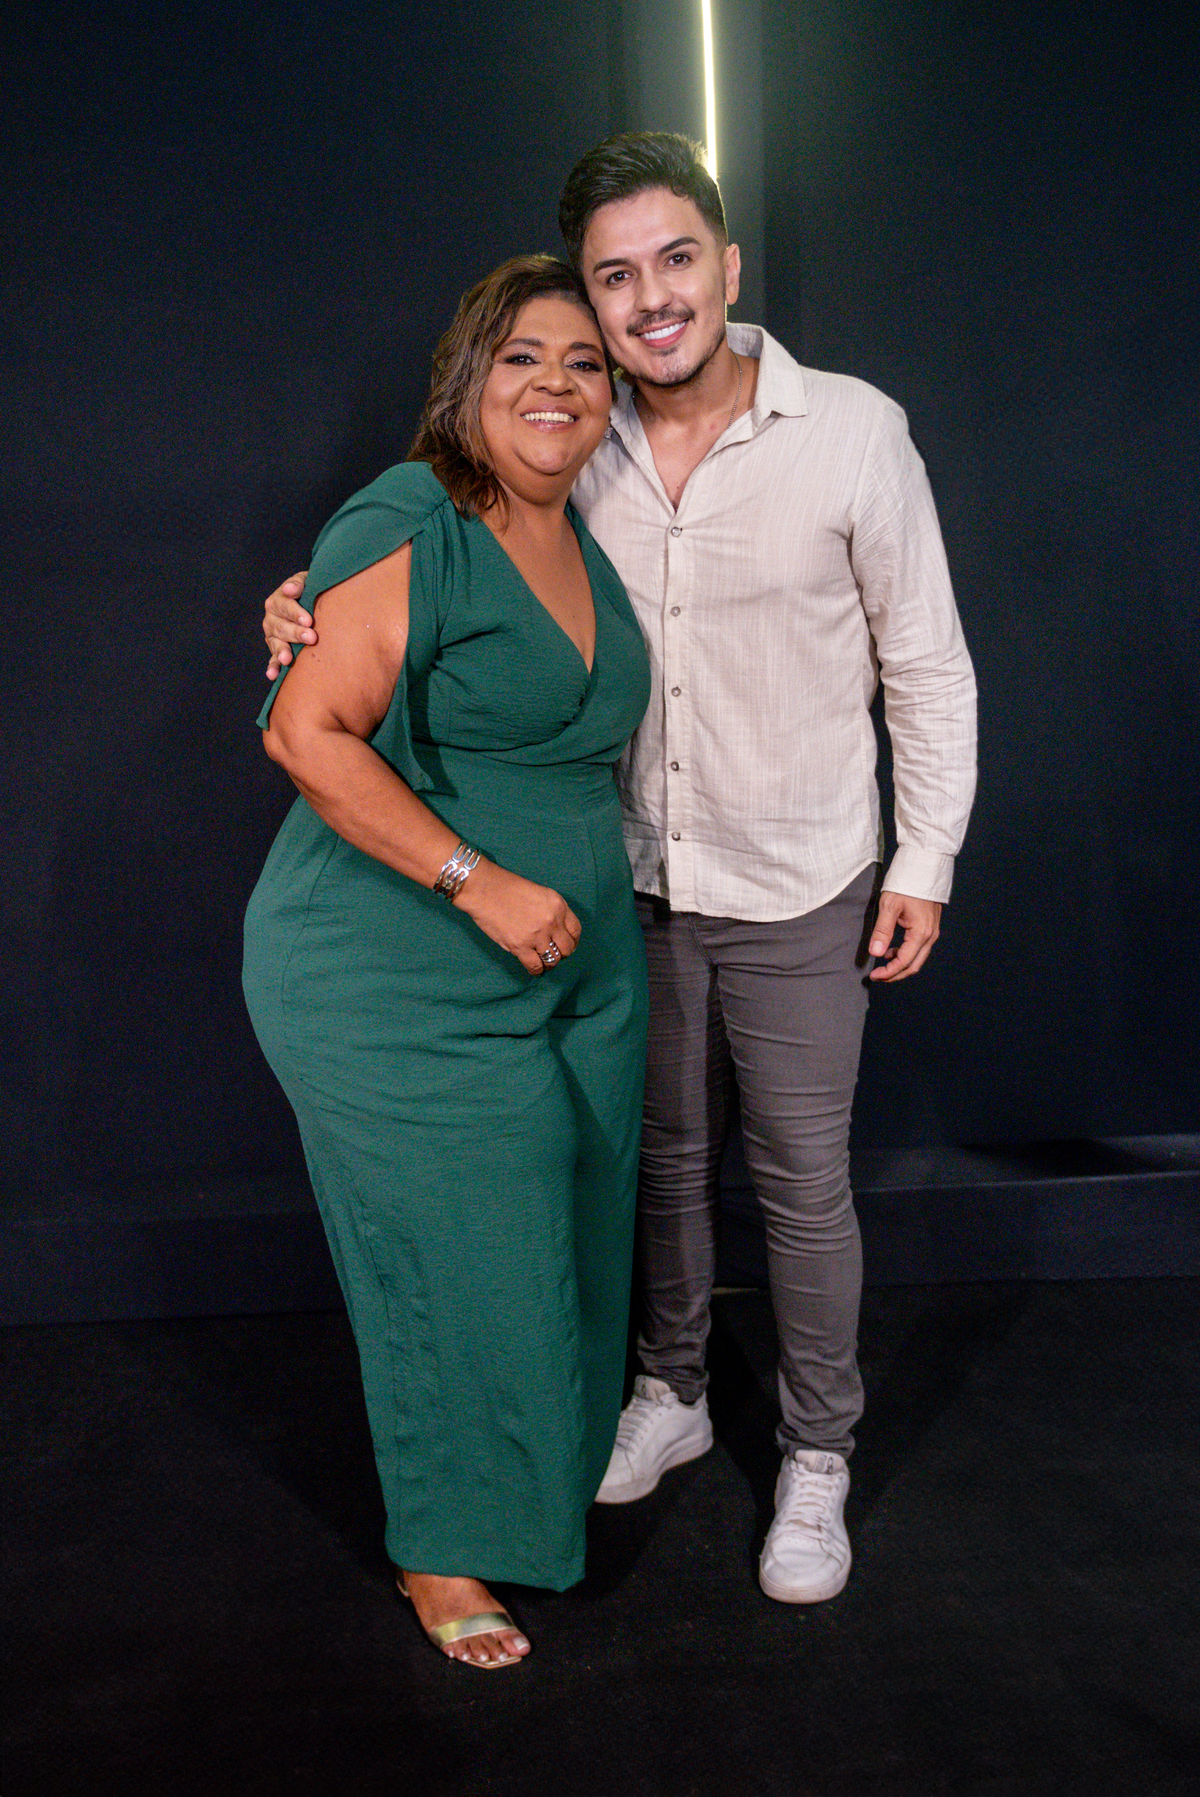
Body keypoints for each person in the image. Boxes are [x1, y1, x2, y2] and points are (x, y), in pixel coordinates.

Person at [263, 134, 977, 1609]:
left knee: (800, 1184)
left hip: (797, 877)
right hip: (628, 885)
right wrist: (305, 605)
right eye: (612, 277)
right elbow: (412, 576)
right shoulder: (573, 451)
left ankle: (819, 1455)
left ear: (727, 264)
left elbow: (927, 663)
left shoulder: (851, 431)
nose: (646, 302)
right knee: (654, 1171)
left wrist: (927, 856)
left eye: (673, 261)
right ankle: (671, 1389)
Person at [243, 254, 652, 1668]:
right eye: (522, 356)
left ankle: (527, 1502)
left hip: (579, 962)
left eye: (585, 362)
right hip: (398, 961)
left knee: (571, 1238)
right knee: (462, 1258)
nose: (557, 383)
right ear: (467, 379)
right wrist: (476, 883)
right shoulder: (414, 514)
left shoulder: (582, 531)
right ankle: (440, 1545)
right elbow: (303, 731)